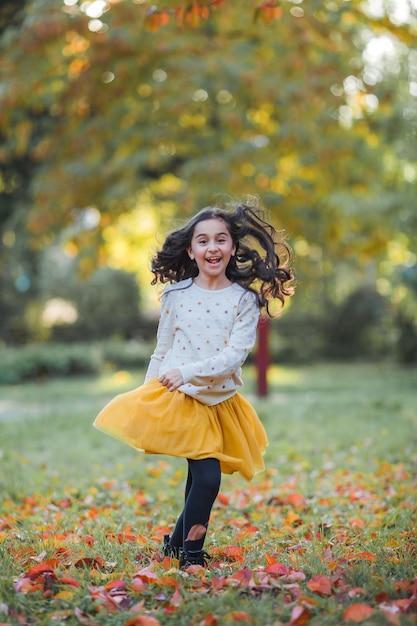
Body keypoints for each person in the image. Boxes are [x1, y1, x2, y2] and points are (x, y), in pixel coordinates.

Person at [93, 196, 294, 568]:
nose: (212, 247)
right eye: (203, 240)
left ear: (233, 248)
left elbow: (234, 356)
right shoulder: (175, 295)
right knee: (207, 478)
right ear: (191, 249)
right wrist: (147, 392)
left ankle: (174, 544)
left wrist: (186, 371)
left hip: (219, 401)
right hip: (181, 399)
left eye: (220, 239)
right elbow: (162, 349)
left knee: (197, 477)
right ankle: (192, 555)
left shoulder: (244, 301)